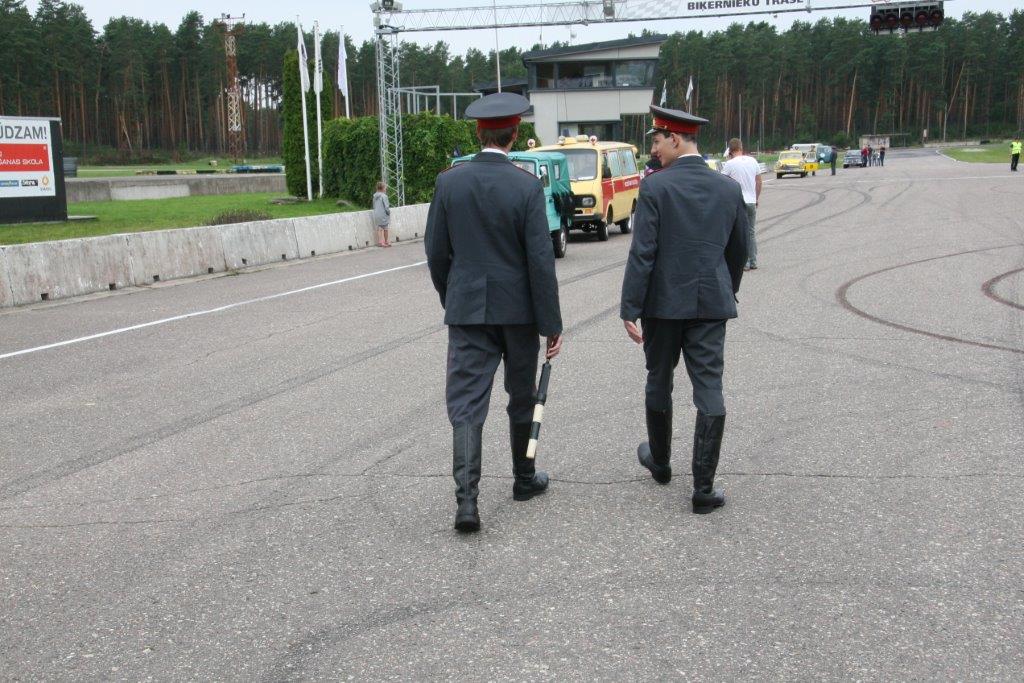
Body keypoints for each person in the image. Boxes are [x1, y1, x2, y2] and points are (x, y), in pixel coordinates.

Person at [424, 92, 563, 533]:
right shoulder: (526, 186)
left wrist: (454, 297)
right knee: (521, 395)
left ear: (478, 133)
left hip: (468, 311)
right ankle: (524, 479)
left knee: (466, 404)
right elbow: (540, 261)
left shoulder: (449, 183)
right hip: (519, 313)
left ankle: (467, 502)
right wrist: (551, 324)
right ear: (514, 133)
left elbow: (436, 252)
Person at [620, 104, 748, 515]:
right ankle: (703, 489)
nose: (654, 150)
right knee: (709, 388)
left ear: (675, 139)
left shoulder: (655, 188)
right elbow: (738, 251)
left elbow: (643, 253)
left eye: (657, 142)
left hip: (662, 306)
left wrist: (630, 307)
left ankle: (660, 462)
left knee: (659, 380)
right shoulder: (727, 188)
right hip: (710, 304)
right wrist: (724, 290)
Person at [722, 137, 762, 271]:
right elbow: (758, 181)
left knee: (739, 233)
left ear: (730, 151)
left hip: (738, 202)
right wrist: (756, 198)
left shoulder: (730, 164)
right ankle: (753, 260)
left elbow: (723, 182)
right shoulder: (753, 161)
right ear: (741, 148)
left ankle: (744, 262)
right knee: (751, 232)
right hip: (751, 200)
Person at [372, 181, 391, 247]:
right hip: (383, 214)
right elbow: (386, 207)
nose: (386, 189)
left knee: (379, 229)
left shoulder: (374, 196)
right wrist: (388, 213)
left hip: (377, 214)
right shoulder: (384, 196)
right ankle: (386, 241)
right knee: (385, 228)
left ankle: (380, 242)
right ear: (382, 188)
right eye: (385, 187)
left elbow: (374, 206)